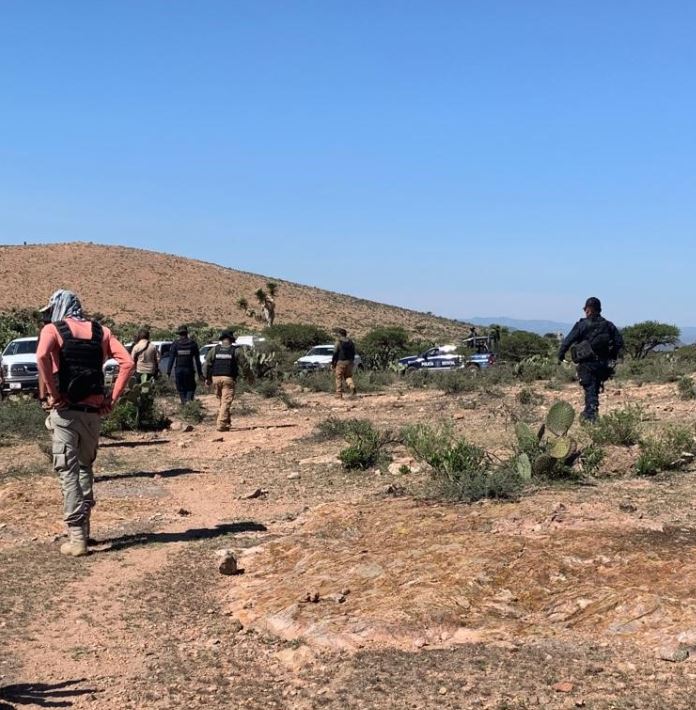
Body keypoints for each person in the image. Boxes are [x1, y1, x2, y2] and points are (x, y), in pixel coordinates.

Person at [36, 289, 134, 557]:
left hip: (66, 412)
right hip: (93, 412)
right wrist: (111, 400)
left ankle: (77, 538)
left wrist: (55, 395)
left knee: (68, 472)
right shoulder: (102, 332)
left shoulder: (52, 330)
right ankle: (86, 530)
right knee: (84, 468)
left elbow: (42, 357)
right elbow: (128, 363)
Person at [558, 297, 624, 422]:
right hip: (602, 364)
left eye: (585, 309)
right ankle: (591, 412)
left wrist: (561, 355)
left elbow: (568, 341)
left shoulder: (581, 325)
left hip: (587, 364)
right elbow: (619, 343)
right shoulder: (609, 325)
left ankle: (591, 415)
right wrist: (612, 358)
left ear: (588, 310)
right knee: (594, 388)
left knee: (590, 389)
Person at [203, 331, 251, 431]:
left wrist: (207, 378)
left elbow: (207, 364)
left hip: (215, 378)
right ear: (231, 340)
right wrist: (248, 376)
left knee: (222, 401)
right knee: (226, 401)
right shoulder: (236, 350)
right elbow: (244, 364)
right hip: (228, 379)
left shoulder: (214, 349)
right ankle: (221, 424)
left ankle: (227, 422)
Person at [167, 326, 203, 404]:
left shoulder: (175, 344)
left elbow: (171, 359)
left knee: (180, 388)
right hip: (189, 370)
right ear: (187, 333)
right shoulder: (193, 344)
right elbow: (197, 360)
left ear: (179, 334)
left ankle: (184, 402)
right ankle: (188, 402)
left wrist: (168, 372)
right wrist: (200, 373)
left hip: (179, 370)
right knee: (191, 387)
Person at [332, 328, 357, 398]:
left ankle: (339, 393)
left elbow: (335, 353)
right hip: (350, 362)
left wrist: (333, 362)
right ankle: (352, 387)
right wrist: (352, 360)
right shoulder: (351, 342)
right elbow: (354, 352)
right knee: (348, 376)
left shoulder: (338, 342)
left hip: (341, 362)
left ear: (340, 334)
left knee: (338, 377)